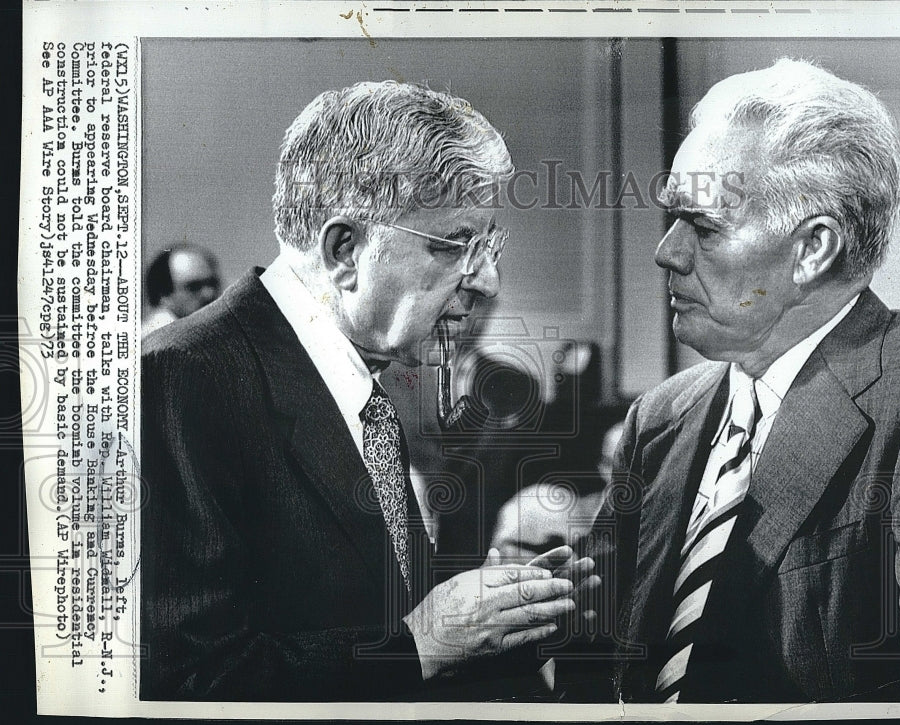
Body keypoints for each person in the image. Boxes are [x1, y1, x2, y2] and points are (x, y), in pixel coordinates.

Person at [141, 81, 592, 702]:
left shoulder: (366, 384)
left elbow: (370, 617)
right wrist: (423, 644)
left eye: (489, 247)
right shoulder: (177, 380)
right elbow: (183, 683)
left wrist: (502, 618)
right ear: (345, 250)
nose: (487, 282)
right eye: (457, 245)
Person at [586, 59, 900, 703]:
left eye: (704, 227)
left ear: (813, 249)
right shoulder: (660, 418)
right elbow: (593, 662)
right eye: (672, 219)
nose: (667, 252)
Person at [141, 244, 221, 336]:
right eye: (193, 287)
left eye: (213, 284)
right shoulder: (156, 340)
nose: (209, 294)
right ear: (163, 295)